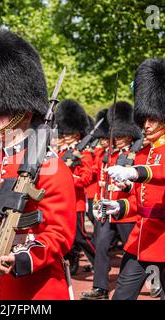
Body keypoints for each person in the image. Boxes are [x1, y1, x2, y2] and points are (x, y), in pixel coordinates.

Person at [0, 29, 76, 300]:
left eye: (1, 112)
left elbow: (59, 234)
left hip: (35, 285)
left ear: (24, 114)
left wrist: (19, 258)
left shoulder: (52, 166)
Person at [103, 57, 165, 300]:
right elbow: (138, 202)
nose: (145, 125)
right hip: (141, 239)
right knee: (121, 296)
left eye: (152, 119)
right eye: (144, 119)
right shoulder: (142, 153)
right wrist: (119, 206)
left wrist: (136, 172)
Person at [81, 101, 141, 300]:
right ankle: (100, 288)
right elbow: (101, 181)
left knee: (136, 250)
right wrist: (99, 203)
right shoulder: (109, 155)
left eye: (122, 136)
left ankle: (154, 278)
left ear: (131, 134)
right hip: (107, 208)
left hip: (126, 210)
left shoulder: (137, 155)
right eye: (117, 135)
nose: (119, 139)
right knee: (101, 246)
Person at [54, 99, 94, 276]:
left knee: (80, 236)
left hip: (76, 202)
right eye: (62, 133)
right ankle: (72, 259)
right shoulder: (61, 154)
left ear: (77, 135)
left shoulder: (83, 153)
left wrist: (68, 178)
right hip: (61, 201)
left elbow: (86, 178)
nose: (63, 137)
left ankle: (98, 260)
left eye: (67, 134)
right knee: (65, 235)